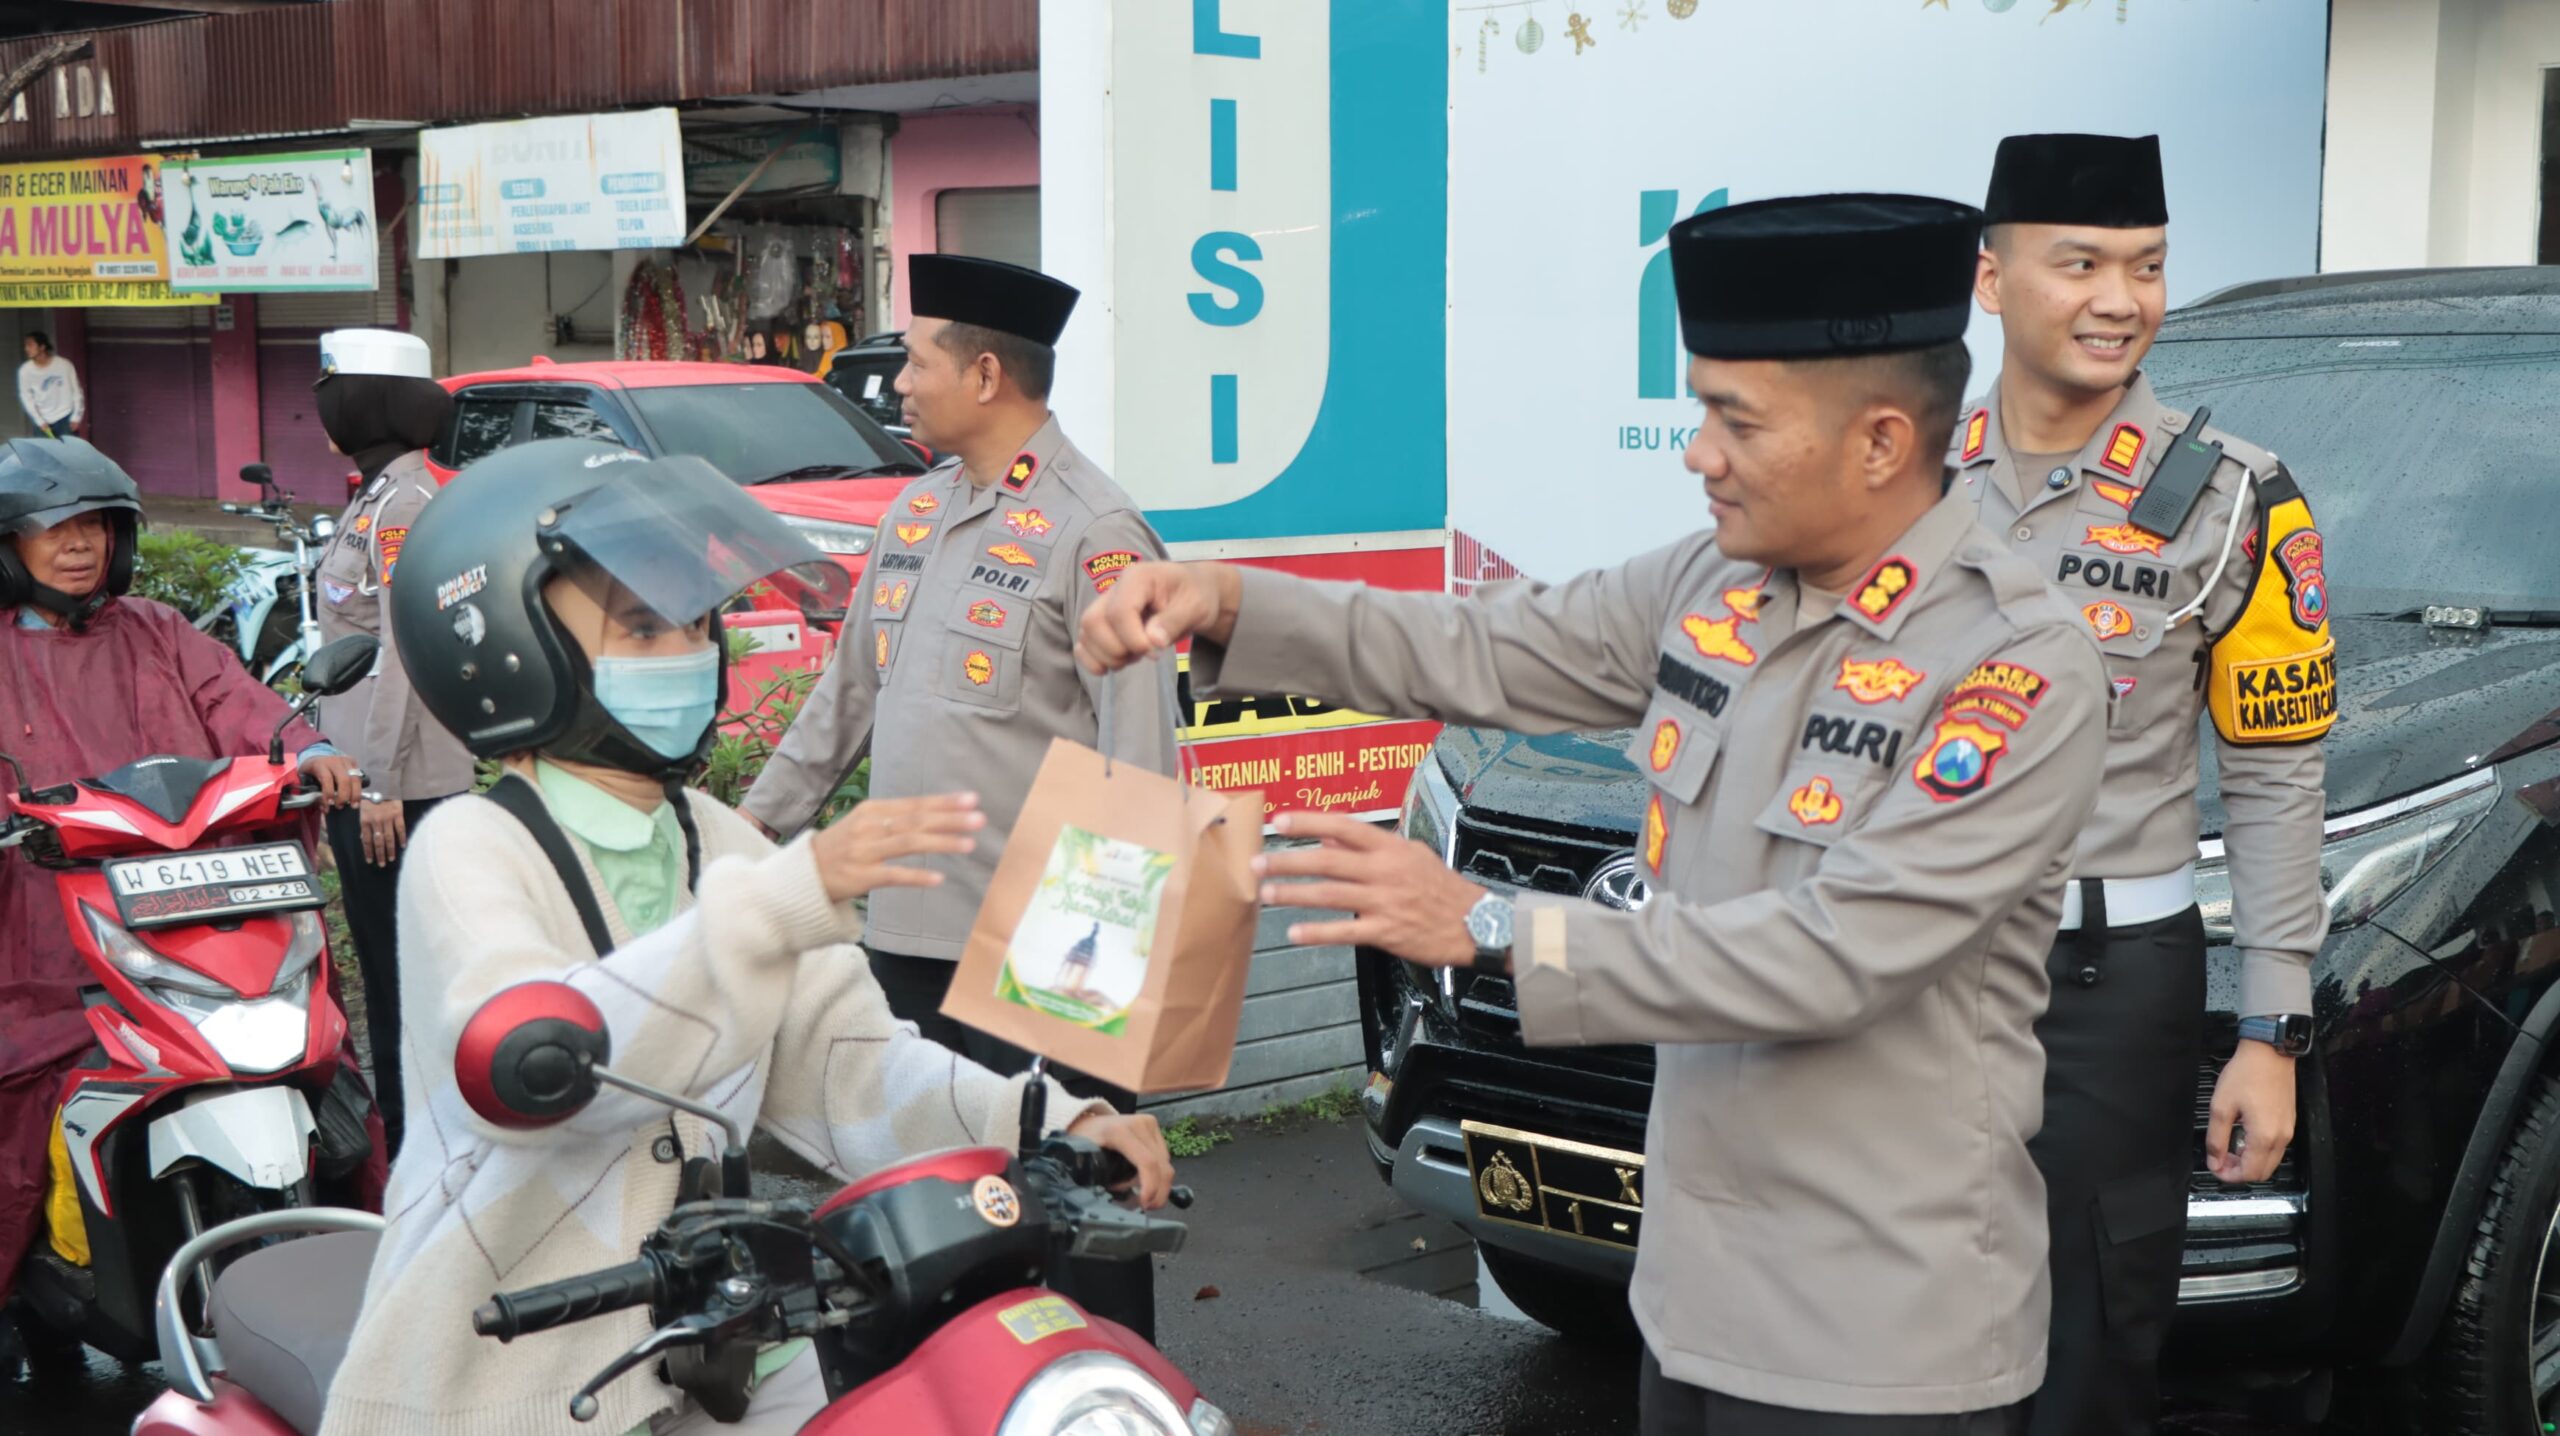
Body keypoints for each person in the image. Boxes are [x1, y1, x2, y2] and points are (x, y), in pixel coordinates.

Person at [1081, 195, 2111, 1434]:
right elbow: (1480, 646)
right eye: (1697, 412)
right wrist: (1229, 599)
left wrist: (1491, 922)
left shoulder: (2019, 662)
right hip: (1688, 1301)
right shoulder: (1710, 582)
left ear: (1882, 440)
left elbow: (1836, 953)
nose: (1700, 453)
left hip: (1876, 1338)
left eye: (1736, 420)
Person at [320, 438, 1174, 1436]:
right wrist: (789, 896)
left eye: (694, 623)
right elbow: (544, 1071)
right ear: (506, 647)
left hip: (708, 1347)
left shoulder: (717, 841)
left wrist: (1052, 1121)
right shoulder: (471, 849)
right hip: (501, 1376)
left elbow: (850, 1068)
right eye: (640, 629)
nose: (685, 653)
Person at [1962, 133, 2332, 1436]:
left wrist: (2271, 1027)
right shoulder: (1891, 487)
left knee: (2091, 1355)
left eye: (2150, 264)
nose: (2123, 296)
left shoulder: (2229, 500)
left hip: (2110, 998)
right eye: (2082, 263)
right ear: (1992, 278)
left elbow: (2279, 777)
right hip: (1901, 978)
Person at [741, 255, 1181, 1105]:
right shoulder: (914, 511)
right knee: (931, 1195)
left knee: (1065, 1200)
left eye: (916, 362)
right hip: (907, 935)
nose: (898, 383)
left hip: (1040, 955)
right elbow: (850, 695)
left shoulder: (1097, 531)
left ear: (985, 375)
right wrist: (754, 827)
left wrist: (1096, 963)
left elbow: (1138, 759)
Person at [0, 438, 366, 1351]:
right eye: (54, 529)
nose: (79, 545)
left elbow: (241, 701)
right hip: (44, 936)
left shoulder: (159, 630)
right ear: (11, 544)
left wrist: (310, 753)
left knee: (329, 1069)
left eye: (95, 525)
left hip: (189, 908)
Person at [308, 327, 475, 1161]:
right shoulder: (378, 496)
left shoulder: (403, 506)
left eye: (332, 392)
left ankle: (421, 1156)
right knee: (393, 977)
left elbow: (405, 653)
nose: (321, 408)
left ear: (363, 404)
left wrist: (378, 786)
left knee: (405, 984)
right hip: (376, 780)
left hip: (395, 787)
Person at [16, 333, 80, 440]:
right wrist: (39, 421)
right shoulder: (25, 371)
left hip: (65, 418)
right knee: (44, 455)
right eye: (26, 345)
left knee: (68, 454)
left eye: (30, 345)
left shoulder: (64, 365)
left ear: (42, 347)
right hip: (42, 421)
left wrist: (76, 417)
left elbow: (77, 392)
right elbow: (26, 398)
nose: (26, 349)